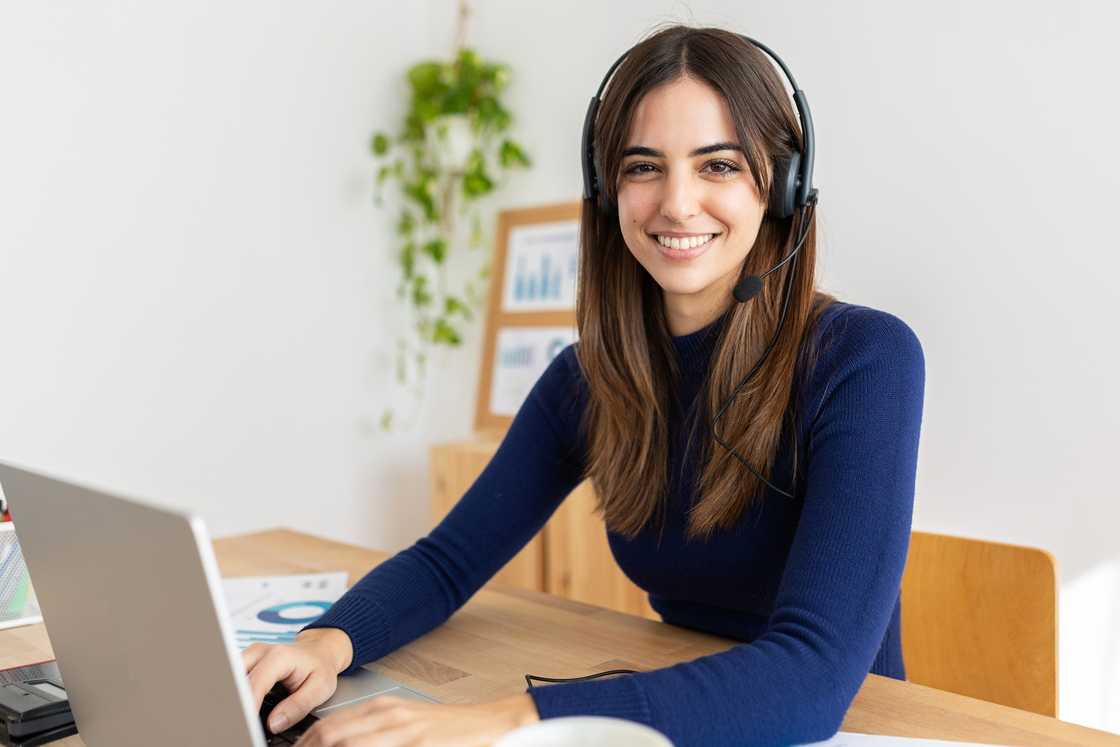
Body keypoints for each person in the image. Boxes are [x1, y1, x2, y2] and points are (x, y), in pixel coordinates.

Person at [242, 24, 925, 747]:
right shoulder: (591, 378)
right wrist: (328, 641)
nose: (678, 203)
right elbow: (448, 561)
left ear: (784, 187)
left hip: (837, 728)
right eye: (643, 167)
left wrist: (504, 720)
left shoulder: (864, 359)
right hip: (675, 716)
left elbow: (812, 680)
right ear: (606, 189)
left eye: (718, 165)